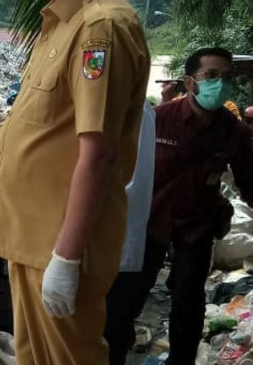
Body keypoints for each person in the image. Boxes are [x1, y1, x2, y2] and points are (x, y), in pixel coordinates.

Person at [0, 0, 150, 365]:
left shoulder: (101, 26)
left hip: (59, 246)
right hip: (30, 240)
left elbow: (97, 153)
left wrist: (68, 257)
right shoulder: (61, 22)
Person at [106, 47, 253, 365]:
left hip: (197, 225)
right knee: (125, 300)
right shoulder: (159, 120)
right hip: (149, 223)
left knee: (189, 303)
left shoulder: (234, 132)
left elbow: (250, 182)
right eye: (211, 76)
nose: (221, 84)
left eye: (227, 77)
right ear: (189, 82)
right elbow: (123, 167)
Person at [104, 101, 155, 364]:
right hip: (105, 244)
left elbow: (128, 186)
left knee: (111, 327)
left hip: (113, 245)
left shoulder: (135, 111)